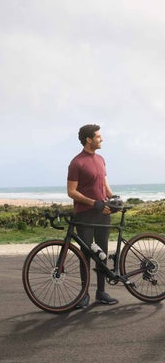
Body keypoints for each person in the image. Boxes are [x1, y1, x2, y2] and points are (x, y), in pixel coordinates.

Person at [67, 124, 118, 308]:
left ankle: (101, 292)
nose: (101, 139)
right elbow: (71, 192)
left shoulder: (101, 159)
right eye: (98, 136)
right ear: (88, 139)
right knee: (85, 255)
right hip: (85, 215)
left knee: (102, 254)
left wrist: (114, 200)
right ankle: (83, 295)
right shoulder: (77, 162)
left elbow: (104, 185)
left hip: (102, 214)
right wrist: (94, 203)